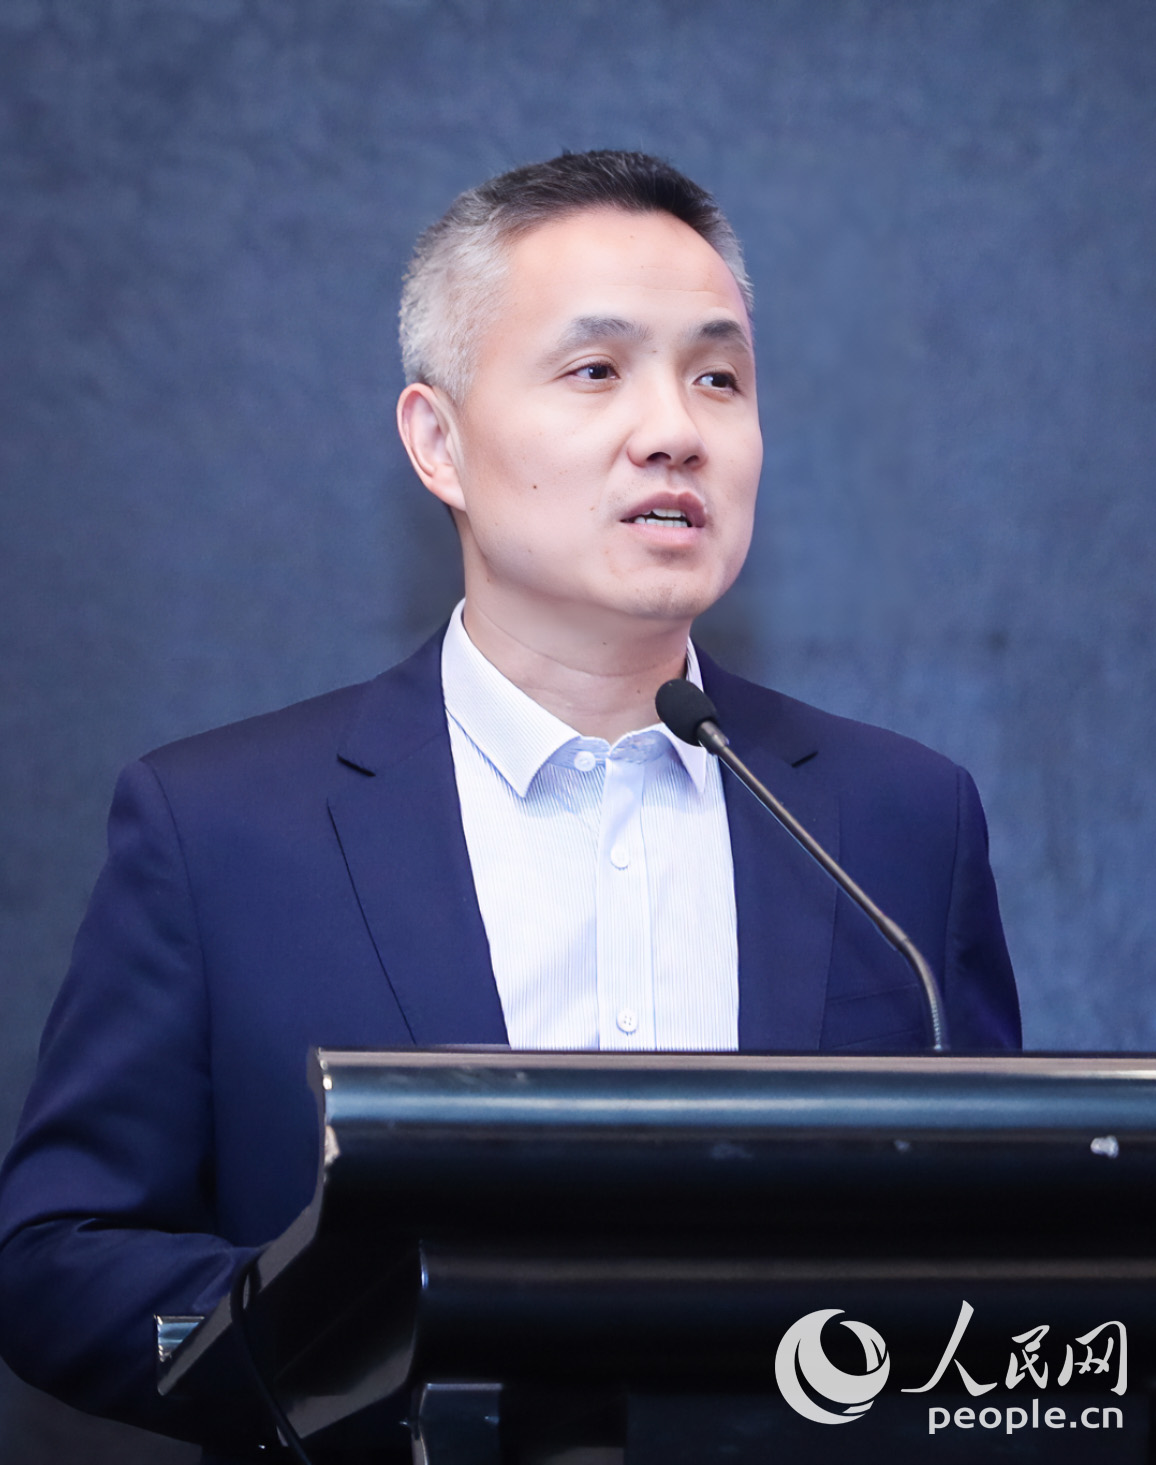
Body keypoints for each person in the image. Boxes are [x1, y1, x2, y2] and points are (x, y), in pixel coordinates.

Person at [0, 151, 1020, 1457]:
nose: (675, 430)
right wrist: (329, 1336)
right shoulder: (219, 830)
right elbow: (60, 1259)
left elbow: (1013, 1251)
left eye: (718, 377)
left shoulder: (900, 822)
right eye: (596, 370)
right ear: (439, 442)